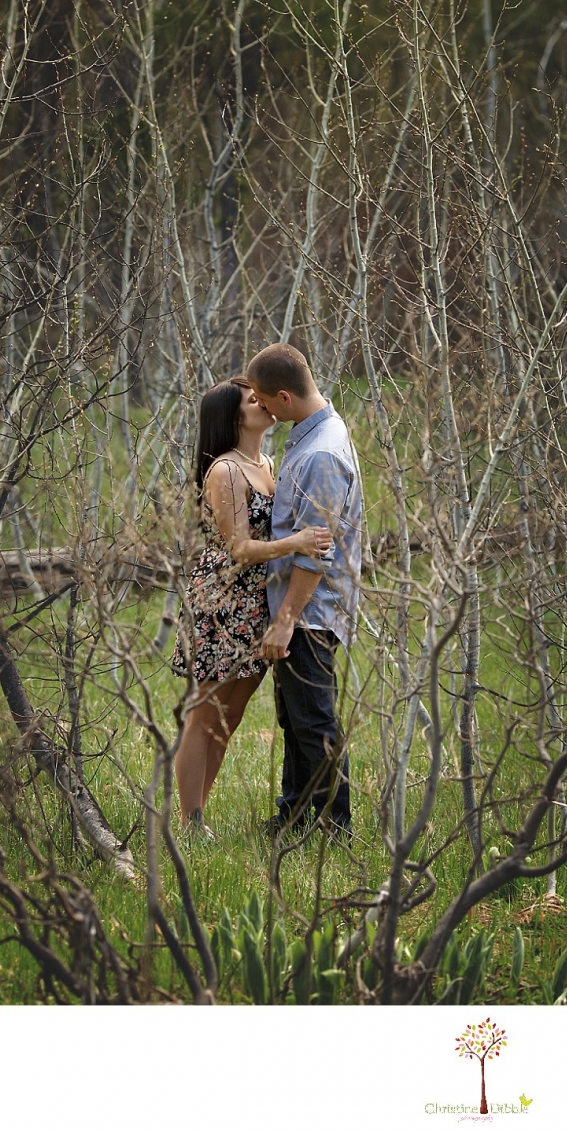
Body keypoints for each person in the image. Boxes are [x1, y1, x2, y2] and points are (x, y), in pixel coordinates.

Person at [171, 376, 333, 836]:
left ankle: (196, 816)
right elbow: (239, 548)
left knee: (231, 715)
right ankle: (190, 822)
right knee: (206, 712)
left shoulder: (266, 462)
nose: (261, 401)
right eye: (251, 399)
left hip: (256, 603)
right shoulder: (225, 470)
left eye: (260, 395)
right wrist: (297, 541)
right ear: (234, 415)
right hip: (222, 602)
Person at [246, 343, 362, 843]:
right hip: (300, 608)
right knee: (295, 718)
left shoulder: (321, 454)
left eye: (265, 402)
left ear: (285, 396)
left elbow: (317, 551)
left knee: (314, 721)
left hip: (310, 612)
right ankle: (294, 812)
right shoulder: (308, 435)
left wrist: (286, 618)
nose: (263, 411)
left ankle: (335, 827)